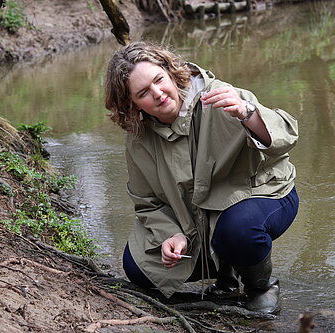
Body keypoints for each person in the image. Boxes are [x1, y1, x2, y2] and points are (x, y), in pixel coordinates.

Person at [104, 41, 299, 314]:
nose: (158, 94)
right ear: (132, 104)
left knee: (237, 232)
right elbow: (146, 201)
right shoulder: (139, 139)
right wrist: (171, 234)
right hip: (194, 219)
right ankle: (226, 277)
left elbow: (287, 136)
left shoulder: (218, 96)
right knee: (137, 267)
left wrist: (248, 114)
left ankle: (260, 287)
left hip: (264, 195)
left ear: (171, 72)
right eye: (144, 93)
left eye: (159, 80)